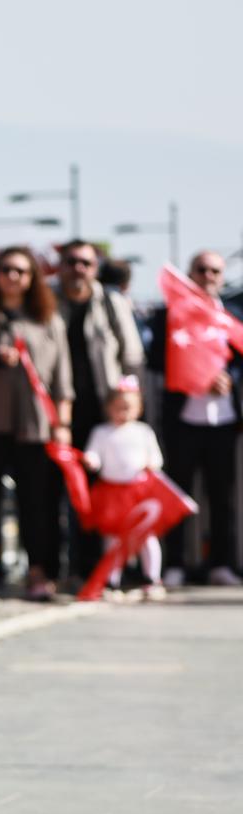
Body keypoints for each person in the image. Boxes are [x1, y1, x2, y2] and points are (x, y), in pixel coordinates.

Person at [0, 247, 73, 601]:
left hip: (35, 425)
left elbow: (62, 381)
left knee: (36, 502)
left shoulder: (48, 320)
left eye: (21, 271)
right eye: (5, 270)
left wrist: (62, 424)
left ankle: (38, 570)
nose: (13, 277)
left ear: (32, 278)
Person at [145, 250, 243, 587]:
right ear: (190, 273)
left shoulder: (232, 314)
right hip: (184, 418)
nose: (208, 276)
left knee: (222, 495)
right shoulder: (169, 314)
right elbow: (155, 360)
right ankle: (175, 562)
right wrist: (195, 375)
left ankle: (221, 563)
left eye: (215, 270)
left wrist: (229, 378)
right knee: (179, 493)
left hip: (224, 419)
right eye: (201, 270)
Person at [52, 239, 144, 581]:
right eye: (72, 262)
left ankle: (117, 566)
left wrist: (129, 405)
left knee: (111, 491)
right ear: (60, 266)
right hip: (60, 411)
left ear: (95, 268)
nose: (79, 269)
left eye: (86, 263)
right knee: (64, 492)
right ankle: (71, 565)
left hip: (104, 412)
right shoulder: (48, 301)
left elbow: (132, 356)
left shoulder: (110, 303)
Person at [82, 378, 166, 599]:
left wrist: (152, 464)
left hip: (138, 492)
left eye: (128, 408)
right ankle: (112, 581)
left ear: (139, 408)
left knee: (146, 536)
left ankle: (152, 578)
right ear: (108, 407)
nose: (123, 413)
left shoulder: (144, 432)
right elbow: (94, 454)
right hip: (111, 493)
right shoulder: (101, 432)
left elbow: (155, 457)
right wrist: (91, 460)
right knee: (112, 538)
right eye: (118, 407)